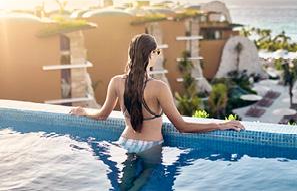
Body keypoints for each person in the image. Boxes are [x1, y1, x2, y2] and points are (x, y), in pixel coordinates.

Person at [69, 33, 245, 155]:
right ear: (151, 54)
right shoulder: (159, 88)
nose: (158, 55)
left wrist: (83, 111)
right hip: (150, 148)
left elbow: (101, 115)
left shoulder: (116, 82)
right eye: (157, 52)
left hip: (124, 142)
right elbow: (182, 127)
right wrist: (219, 125)